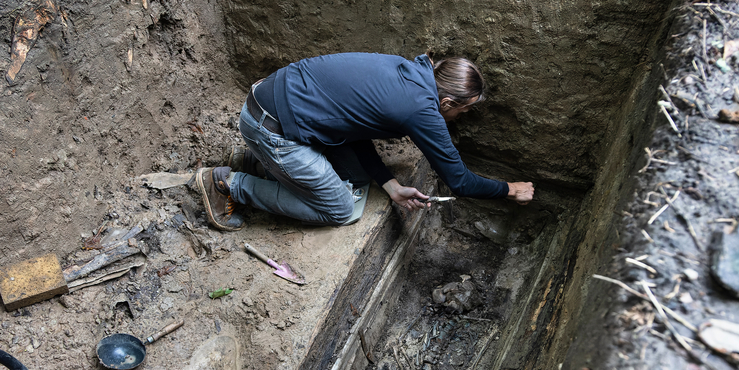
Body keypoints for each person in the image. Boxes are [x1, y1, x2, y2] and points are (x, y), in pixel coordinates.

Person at [195, 52, 534, 231]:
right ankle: (228, 185)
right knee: (340, 208)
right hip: (271, 129)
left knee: (357, 177)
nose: (459, 119)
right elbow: (459, 181)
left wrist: (389, 185)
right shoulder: (423, 110)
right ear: (448, 104)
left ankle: (256, 161)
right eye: (463, 112)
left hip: (266, 101)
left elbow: (351, 129)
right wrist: (509, 189)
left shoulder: (407, 72)